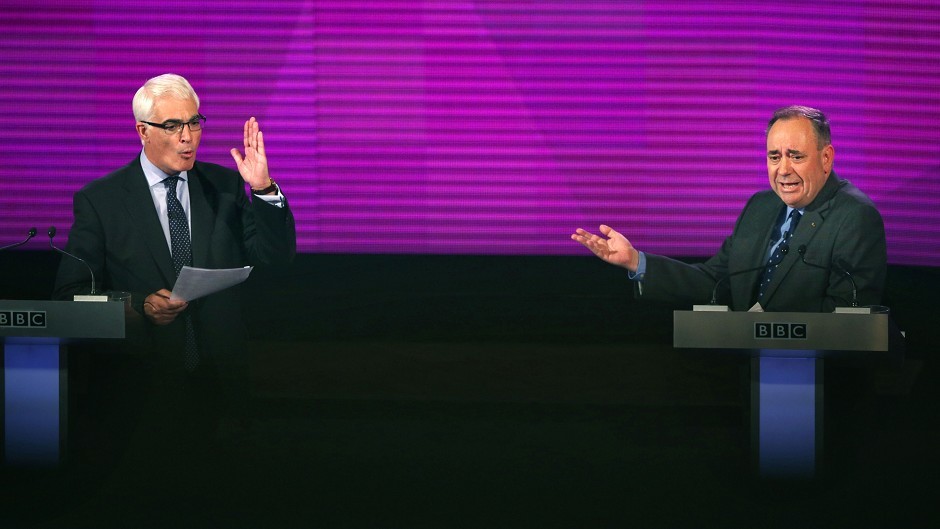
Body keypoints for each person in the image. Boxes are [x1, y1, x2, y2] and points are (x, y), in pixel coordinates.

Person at [53, 74, 296, 457]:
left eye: (194, 122)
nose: (188, 137)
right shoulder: (101, 200)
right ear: (143, 131)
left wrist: (263, 190)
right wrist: (139, 304)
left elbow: (274, 259)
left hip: (219, 384)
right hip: (137, 390)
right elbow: (71, 297)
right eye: (172, 125)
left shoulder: (225, 187)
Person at [572, 105, 886, 312]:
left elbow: (850, 311)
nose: (783, 169)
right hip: (753, 377)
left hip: (822, 385)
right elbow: (716, 281)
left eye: (796, 156)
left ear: (826, 158)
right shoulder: (760, 207)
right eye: (774, 157)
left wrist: (766, 324)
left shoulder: (853, 216)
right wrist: (636, 261)